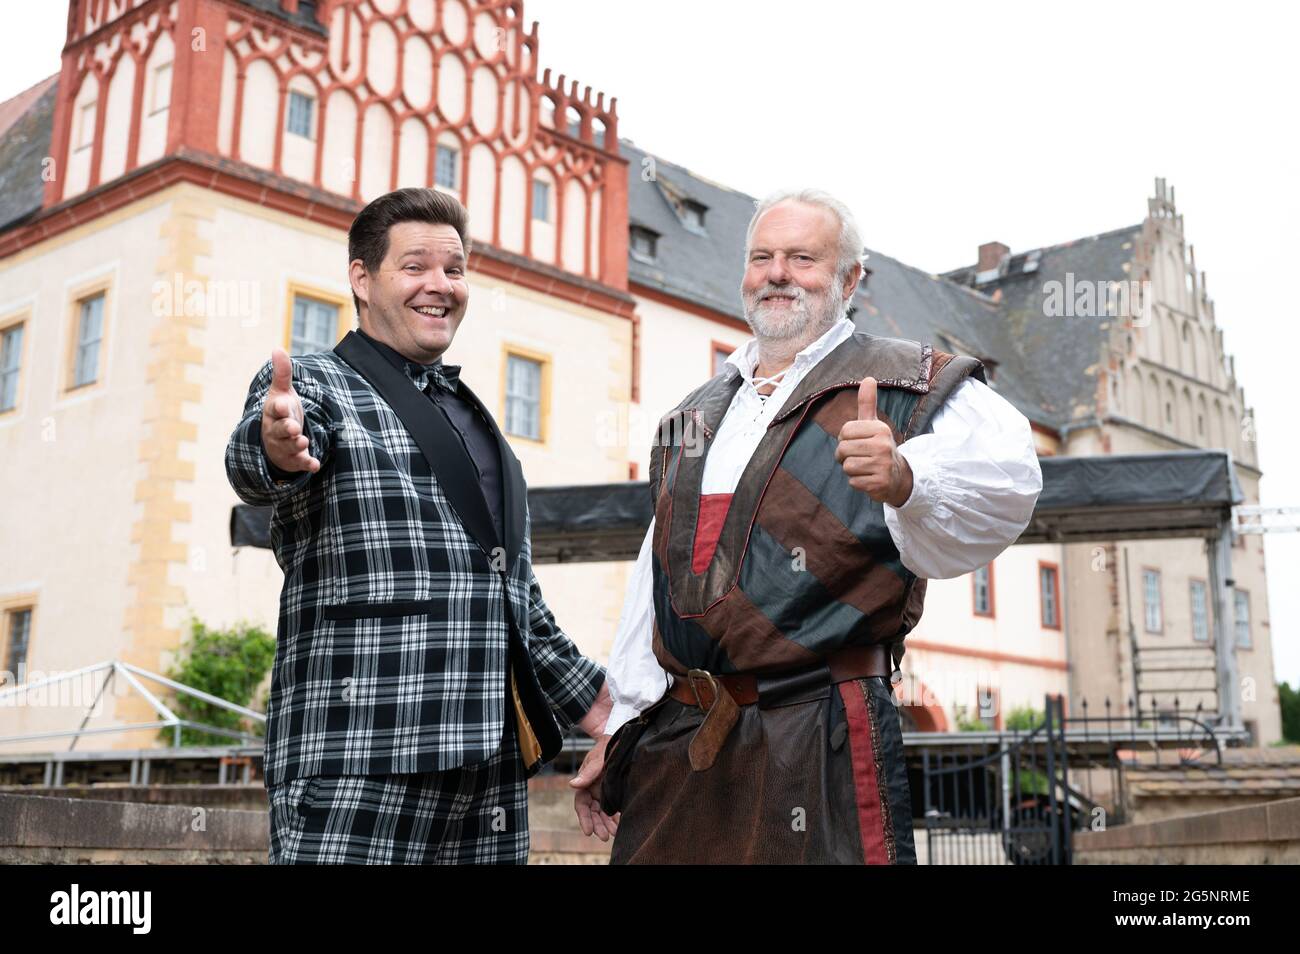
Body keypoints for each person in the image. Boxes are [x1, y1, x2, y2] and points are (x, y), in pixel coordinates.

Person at [570, 188, 1042, 863]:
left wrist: (905, 477)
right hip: (682, 745)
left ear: (850, 279)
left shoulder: (909, 383)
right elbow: (658, 584)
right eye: (761, 257)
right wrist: (620, 728)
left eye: (802, 257)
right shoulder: (691, 415)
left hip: (818, 737)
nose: (777, 273)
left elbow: (1012, 482)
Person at [225, 187, 610, 864]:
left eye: (454, 270)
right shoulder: (315, 383)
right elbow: (257, 462)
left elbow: (514, 604)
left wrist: (611, 714)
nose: (440, 285)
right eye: (416, 266)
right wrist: (277, 445)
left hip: (489, 775)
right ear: (362, 278)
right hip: (356, 762)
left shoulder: (477, 421)